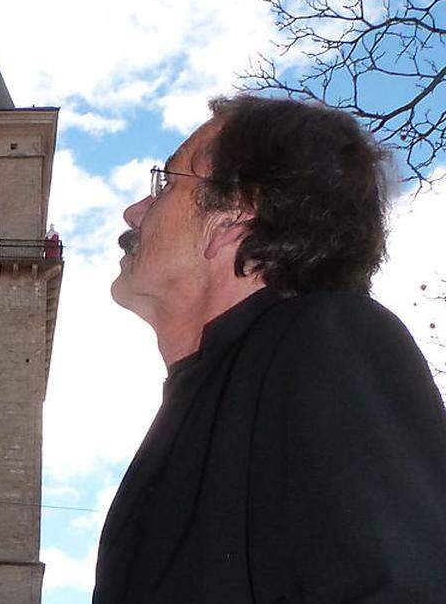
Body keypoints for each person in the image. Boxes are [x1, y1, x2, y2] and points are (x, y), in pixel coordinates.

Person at [95, 95, 446, 603]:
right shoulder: (196, 407)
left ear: (234, 217)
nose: (134, 211)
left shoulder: (328, 339)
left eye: (167, 183)